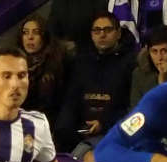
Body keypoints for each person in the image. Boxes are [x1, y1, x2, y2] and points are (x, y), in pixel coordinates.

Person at [55, 11, 136, 154]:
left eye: (108, 30)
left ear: (118, 33)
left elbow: (132, 106)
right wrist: (66, 128)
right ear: (92, 35)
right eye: (97, 30)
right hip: (80, 131)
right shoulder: (81, 62)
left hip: (114, 131)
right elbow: (71, 101)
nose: (102, 34)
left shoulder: (132, 63)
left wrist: (104, 124)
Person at [16, 15, 66, 115]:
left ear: (44, 37)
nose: (30, 37)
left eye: (36, 32)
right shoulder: (13, 63)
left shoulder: (56, 63)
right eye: (25, 32)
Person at [129, 24, 167, 109]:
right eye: (154, 51)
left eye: (165, 51)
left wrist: (163, 83)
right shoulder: (139, 74)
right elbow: (136, 109)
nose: (159, 57)